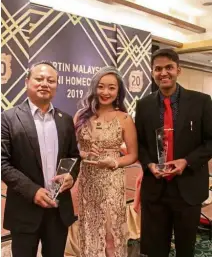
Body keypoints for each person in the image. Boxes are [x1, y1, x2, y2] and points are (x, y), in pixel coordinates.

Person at [135, 48, 212, 257]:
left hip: (188, 188)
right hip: (156, 189)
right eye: (158, 69)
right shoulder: (143, 106)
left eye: (169, 67)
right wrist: (149, 164)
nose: (163, 73)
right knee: (154, 250)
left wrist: (186, 161)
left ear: (179, 70)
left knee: (185, 249)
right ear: (152, 72)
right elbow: (139, 144)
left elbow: (210, 141)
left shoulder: (202, 102)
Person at [1, 61, 81, 257]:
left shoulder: (65, 119)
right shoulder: (8, 118)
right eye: (39, 78)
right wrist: (33, 191)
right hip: (25, 209)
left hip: (58, 211)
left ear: (56, 85)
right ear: (27, 82)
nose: (45, 83)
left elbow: (74, 157)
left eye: (51, 80)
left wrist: (71, 176)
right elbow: (2, 163)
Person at [74, 66, 138, 257]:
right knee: (90, 232)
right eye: (101, 87)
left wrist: (115, 162)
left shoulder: (124, 118)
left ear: (118, 91)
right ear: (94, 88)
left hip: (112, 183)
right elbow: (71, 150)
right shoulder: (81, 116)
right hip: (87, 183)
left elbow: (133, 155)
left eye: (111, 88)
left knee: (111, 237)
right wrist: (84, 153)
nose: (105, 92)